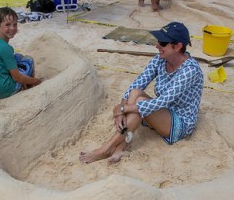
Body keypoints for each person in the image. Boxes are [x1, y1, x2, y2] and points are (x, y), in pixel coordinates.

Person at [79, 22, 204, 164]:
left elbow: (163, 101)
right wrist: (122, 107)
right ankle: (119, 148)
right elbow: (138, 83)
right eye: (158, 41)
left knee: (140, 102)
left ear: (178, 46)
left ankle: (106, 148)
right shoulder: (160, 59)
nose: (157, 46)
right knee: (135, 92)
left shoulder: (190, 70)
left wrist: (122, 109)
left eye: (163, 43)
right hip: (163, 111)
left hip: (180, 123)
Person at [0, 7, 42, 99]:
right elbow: (17, 77)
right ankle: (29, 86)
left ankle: (26, 83)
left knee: (18, 56)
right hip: (5, 90)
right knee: (28, 60)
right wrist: (36, 81)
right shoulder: (6, 48)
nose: (12, 28)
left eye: (15, 24)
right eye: (8, 25)